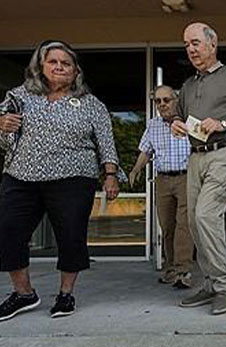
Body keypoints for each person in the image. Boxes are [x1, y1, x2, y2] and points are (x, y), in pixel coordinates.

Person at [0, 40, 124, 321]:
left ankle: (66, 294)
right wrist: (2, 125)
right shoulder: (18, 96)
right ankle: (23, 293)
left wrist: (111, 175)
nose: (59, 67)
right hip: (21, 175)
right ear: (40, 66)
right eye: (53, 61)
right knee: (8, 230)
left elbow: (106, 141)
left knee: (70, 235)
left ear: (76, 70)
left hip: (73, 177)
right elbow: (5, 139)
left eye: (66, 63)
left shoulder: (91, 104)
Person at [171, 22, 226, 315]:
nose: (190, 49)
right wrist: (176, 124)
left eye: (195, 42)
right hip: (195, 156)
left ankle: (224, 284)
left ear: (212, 43)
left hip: (223, 153)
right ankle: (210, 282)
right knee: (195, 224)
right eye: (186, 44)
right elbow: (179, 117)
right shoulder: (188, 86)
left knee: (206, 216)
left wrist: (223, 123)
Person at [129, 85, 193, 288]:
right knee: (167, 227)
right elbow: (146, 151)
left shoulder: (189, 122)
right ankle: (171, 268)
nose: (162, 104)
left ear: (176, 100)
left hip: (186, 178)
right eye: (158, 101)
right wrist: (135, 169)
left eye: (167, 100)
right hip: (163, 180)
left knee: (184, 225)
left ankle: (184, 271)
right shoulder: (153, 124)